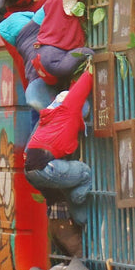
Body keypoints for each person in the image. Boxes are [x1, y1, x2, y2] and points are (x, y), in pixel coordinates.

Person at [23, 65, 95, 256]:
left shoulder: (48, 116)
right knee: (85, 173)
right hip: (46, 167)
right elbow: (80, 89)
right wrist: (90, 68)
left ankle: (79, 214)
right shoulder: (68, 109)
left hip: (31, 168)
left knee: (67, 181)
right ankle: (80, 202)